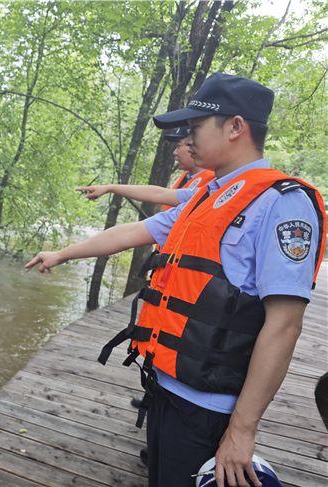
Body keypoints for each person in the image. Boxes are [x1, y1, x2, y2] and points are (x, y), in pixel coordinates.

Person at [25, 72, 326, 487]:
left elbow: (285, 324)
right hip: (166, 387)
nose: (189, 137)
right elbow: (131, 233)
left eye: (197, 127)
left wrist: (242, 429)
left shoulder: (283, 204)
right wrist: (62, 254)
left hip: (210, 408)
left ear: (235, 127)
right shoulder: (207, 196)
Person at [75, 127, 215, 210]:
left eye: (179, 146)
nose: (175, 153)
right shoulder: (186, 177)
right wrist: (109, 188)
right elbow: (157, 194)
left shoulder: (210, 181)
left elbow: (157, 195)